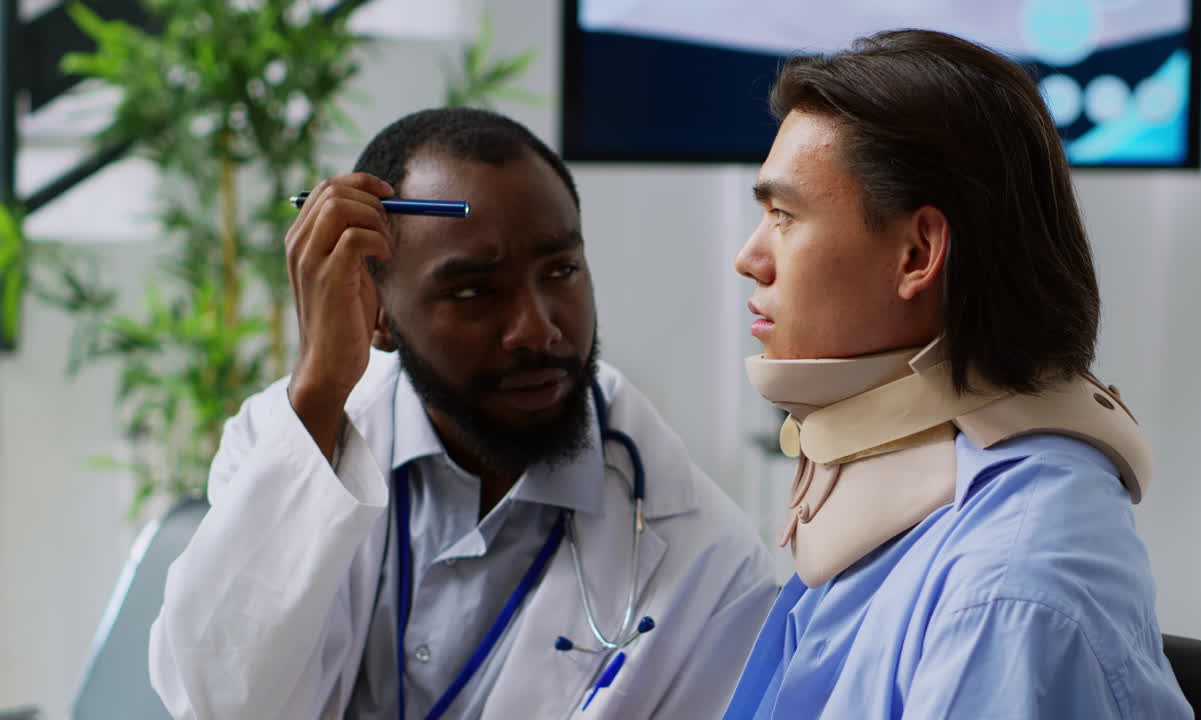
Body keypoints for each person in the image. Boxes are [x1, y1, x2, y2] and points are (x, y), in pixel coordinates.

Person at [149, 108, 778, 720]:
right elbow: (216, 700)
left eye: (561, 271)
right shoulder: (285, 443)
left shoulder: (712, 562)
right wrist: (318, 387)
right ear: (378, 315)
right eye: (473, 291)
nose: (538, 329)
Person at [722, 30, 1192, 719]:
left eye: (783, 216)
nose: (748, 256)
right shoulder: (917, 517)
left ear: (918, 253)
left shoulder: (1006, 592)